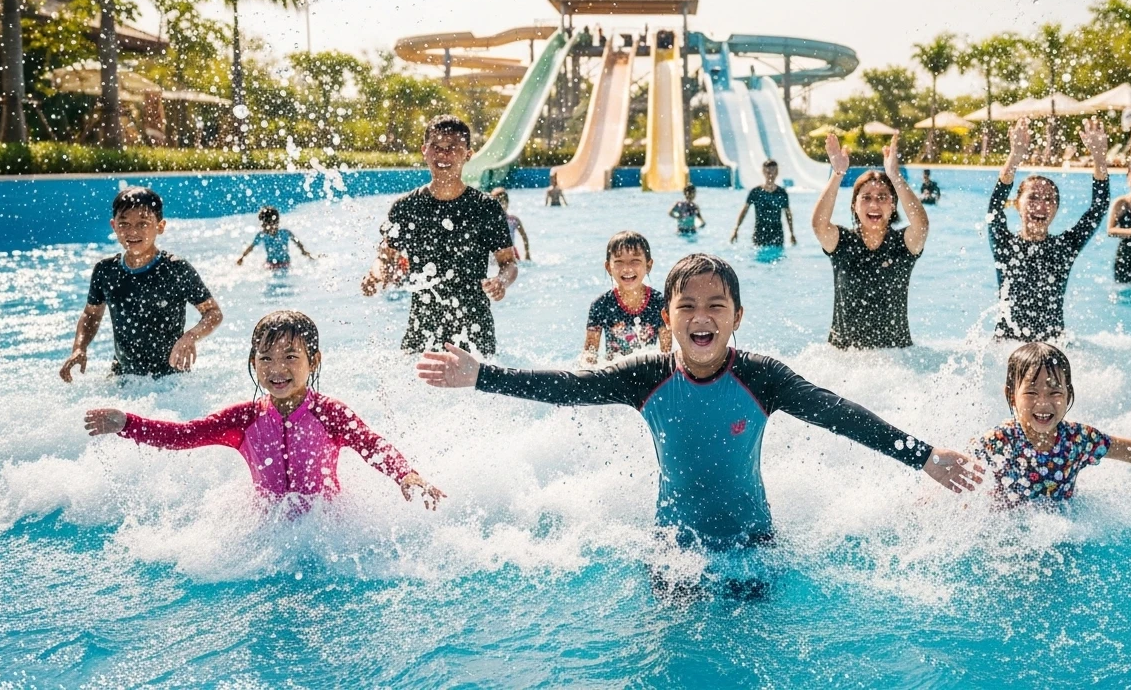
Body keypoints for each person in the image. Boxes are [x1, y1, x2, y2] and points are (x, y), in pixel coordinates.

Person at [416, 254, 983, 550]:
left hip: (755, 545)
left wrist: (924, 456)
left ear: (738, 317)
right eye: (687, 306)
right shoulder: (646, 375)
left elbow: (840, 414)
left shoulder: (765, 378)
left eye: (717, 305)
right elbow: (569, 387)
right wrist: (482, 375)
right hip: (673, 548)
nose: (702, 316)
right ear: (667, 319)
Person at [83, 310, 444, 509]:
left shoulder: (329, 414)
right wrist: (127, 423)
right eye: (266, 358)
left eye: (290, 357)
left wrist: (405, 475)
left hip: (326, 527)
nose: (277, 369)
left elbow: (371, 444)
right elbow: (185, 435)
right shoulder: (244, 419)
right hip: (268, 530)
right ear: (253, 361)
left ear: (313, 361)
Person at [971, 342, 1131, 505]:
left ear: (1069, 395)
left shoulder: (1077, 439)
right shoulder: (1001, 440)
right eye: (1031, 392)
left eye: (1054, 392)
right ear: (1010, 395)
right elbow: (961, 473)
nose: (1043, 402)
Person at [362, 115, 517, 355]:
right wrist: (376, 276)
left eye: (453, 148)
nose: (444, 155)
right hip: (423, 325)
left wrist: (500, 281)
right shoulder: (405, 207)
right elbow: (385, 257)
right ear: (425, 151)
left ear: (468, 154)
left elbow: (508, 264)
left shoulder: (486, 208)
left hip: (475, 328)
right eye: (437, 147)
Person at [60, 187, 223, 381]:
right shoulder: (105, 271)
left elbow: (213, 312)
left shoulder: (175, 269)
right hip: (123, 376)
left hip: (170, 378)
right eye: (124, 223)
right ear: (114, 226)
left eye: (143, 223)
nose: (132, 231)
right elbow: (91, 314)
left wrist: (191, 337)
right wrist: (79, 348)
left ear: (160, 226)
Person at [987, 118, 1110, 341]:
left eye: (1049, 199)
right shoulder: (1004, 245)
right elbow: (994, 207)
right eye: (1033, 197)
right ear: (1017, 203)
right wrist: (1014, 156)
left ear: (1056, 209)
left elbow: (1098, 208)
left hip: (1052, 346)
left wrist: (1099, 159)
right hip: (1006, 345)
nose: (1041, 205)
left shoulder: (1065, 247)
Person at [811, 132, 929, 349]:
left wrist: (895, 176)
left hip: (897, 356)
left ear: (893, 206)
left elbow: (921, 226)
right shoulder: (843, 243)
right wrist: (837, 174)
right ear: (854, 205)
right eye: (866, 198)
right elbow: (819, 225)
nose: (874, 204)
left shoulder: (902, 244)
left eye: (882, 197)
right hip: (844, 357)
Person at [583, 231, 672, 364]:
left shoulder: (659, 303)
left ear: (648, 265)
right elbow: (590, 354)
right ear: (608, 267)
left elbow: (667, 353)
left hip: (647, 371)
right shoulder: (601, 305)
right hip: (614, 372)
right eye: (619, 262)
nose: (627, 269)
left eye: (635, 261)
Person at [730, 160, 796, 247]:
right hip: (760, 234)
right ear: (763, 172)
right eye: (768, 172)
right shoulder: (755, 192)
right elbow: (744, 211)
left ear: (777, 173)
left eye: (774, 172)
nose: (771, 175)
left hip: (777, 235)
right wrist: (736, 229)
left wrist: (792, 233)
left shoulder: (782, 193)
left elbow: (788, 214)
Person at [236, 205, 315, 268]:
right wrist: (242, 257)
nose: (263, 226)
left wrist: (304, 252)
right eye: (262, 224)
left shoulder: (284, 233)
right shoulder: (262, 235)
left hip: (285, 263)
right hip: (270, 263)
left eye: (264, 224)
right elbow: (251, 247)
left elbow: (297, 242)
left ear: (276, 223)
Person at [490, 188, 531, 261]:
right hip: (495, 253)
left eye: (502, 202)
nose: (500, 206)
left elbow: (524, 236)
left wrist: (527, 253)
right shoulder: (490, 221)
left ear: (507, 203)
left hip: (511, 252)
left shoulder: (514, 220)